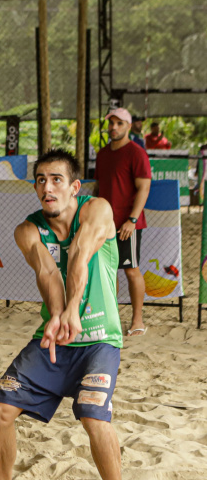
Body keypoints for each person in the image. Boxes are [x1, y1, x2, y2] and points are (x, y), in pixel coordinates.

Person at [0, 148, 127, 480]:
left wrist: (71, 310)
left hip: (98, 338)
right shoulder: (28, 230)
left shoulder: (97, 209)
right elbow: (48, 274)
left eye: (56, 180)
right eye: (40, 180)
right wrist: (56, 314)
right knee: (2, 406)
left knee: (93, 415)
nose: (47, 188)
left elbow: (80, 254)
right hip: (54, 340)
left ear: (74, 187)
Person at [94, 107, 151, 337]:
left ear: (128, 126)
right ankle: (113, 316)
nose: (114, 127)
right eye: (111, 123)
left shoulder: (136, 153)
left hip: (128, 224)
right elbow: (99, 188)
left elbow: (144, 188)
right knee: (108, 271)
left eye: (119, 123)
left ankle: (137, 319)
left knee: (131, 271)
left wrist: (132, 220)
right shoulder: (102, 154)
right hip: (104, 223)